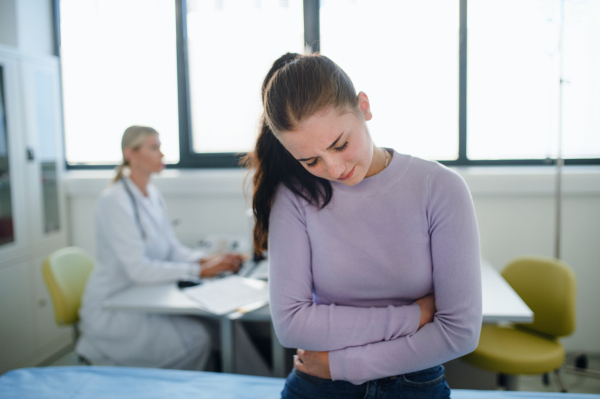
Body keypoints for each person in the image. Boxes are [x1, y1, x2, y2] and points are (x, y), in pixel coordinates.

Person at [245, 53, 482, 398]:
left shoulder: (439, 187)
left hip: (400, 379)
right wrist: (416, 316)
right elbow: (291, 325)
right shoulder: (296, 195)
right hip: (318, 383)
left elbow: (460, 332)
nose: (335, 168)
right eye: (311, 160)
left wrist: (344, 366)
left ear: (364, 107)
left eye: (340, 145)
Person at [76, 125, 244, 371]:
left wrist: (207, 260)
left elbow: (171, 248)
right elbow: (139, 270)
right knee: (198, 339)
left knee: (218, 327)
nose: (162, 154)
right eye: (154, 148)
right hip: (114, 307)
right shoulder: (114, 200)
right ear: (130, 153)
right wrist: (198, 271)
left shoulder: (152, 194)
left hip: (145, 297)